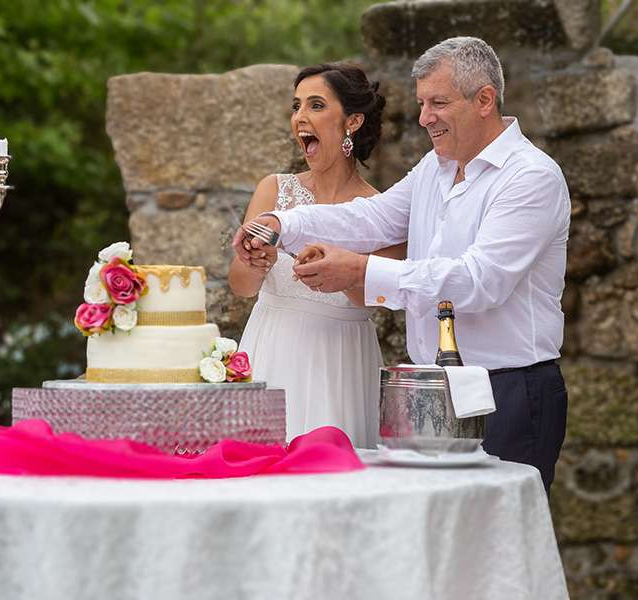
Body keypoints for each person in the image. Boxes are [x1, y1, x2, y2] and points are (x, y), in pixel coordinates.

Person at [233, 37, 569, 493]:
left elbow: (478, 281)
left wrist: (361, 273)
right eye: (421, 103)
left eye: (438, 103)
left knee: (496, 546)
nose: (424, 117)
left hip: (506, 391)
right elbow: (372, 218)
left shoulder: (531, 176)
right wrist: (281, 222)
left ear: (485, 100)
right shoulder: (435, 166)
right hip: (427, 390)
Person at [229, 63, 405, 448]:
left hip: (338, 361)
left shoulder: (384, 211)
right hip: (270, 345)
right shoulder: (273, 190)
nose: (300, 118)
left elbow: (370, 300)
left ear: (353, 121)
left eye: (316, 105)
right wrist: (255, 264)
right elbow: (241, 288)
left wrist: (341, 272)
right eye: (296, 106)